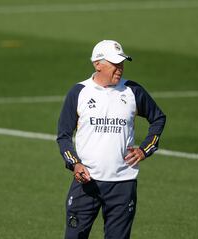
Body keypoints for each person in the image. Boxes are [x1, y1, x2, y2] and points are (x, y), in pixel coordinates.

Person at [56, 40, 166, 239]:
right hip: (86, 182)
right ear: (97, 64)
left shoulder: (133, 91)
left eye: (122, 63)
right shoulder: (79, 92)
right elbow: (63, 136)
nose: (120, 69)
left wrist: (145, 149)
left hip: (123, 183)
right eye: (115, 64)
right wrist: (75, 164)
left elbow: (158, 118)